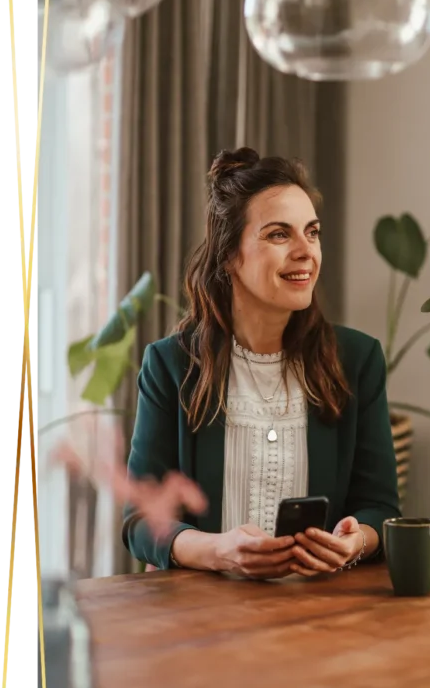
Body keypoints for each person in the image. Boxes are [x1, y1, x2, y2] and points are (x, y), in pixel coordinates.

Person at [121, 146, 401, 580]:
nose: (306, 251)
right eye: (279, 234)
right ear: (230, 254)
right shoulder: (170, 364)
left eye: (312, 232)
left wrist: (356, 540)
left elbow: (380, 508)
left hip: (325, 619)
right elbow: (141, 522)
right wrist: (217, 550)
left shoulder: (357, 360)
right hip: (203, 622)